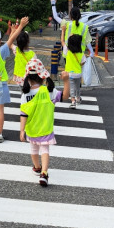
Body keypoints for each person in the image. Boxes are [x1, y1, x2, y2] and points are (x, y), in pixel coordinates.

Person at [19, 59, 70, 187]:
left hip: (32, 129)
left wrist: (21, 130)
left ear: (28, 79)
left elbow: (23, 114)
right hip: (45, 128)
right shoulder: (49, 91)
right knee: (44, 150)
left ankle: (37, 167)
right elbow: (65, 96)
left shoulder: (25, 95)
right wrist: (66, 81)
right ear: (43, 77)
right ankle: (44, 173)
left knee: (33, 149)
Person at [63, 33, 86, 109]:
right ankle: (78, 98)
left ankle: (73, 101)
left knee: (71, 88)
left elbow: (64, 44)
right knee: (77, 87)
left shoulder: (67, 52)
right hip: (78, 73)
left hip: (69, 73)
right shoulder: (81, 53)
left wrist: (69, 36)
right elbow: (83, 62)